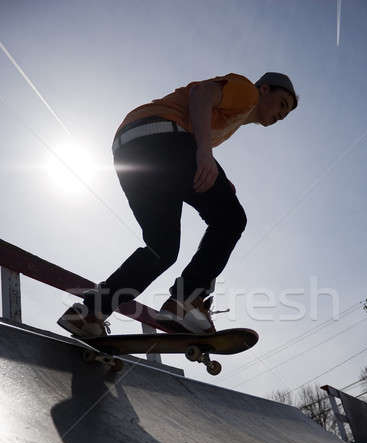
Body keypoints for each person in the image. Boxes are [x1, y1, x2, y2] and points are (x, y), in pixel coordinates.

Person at [58, 72, 297, 338]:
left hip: (131, 148)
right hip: (162, 136)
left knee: (163, 249)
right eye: (282, 104)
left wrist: (219, 176)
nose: (281, 115)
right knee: (230, 220)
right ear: (264, 89)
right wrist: (204, 153)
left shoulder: (233, 118)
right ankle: (186, 301)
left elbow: (193, 133)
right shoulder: (247, 93)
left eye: (286, 114)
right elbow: (202, 95)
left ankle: (90, 313)